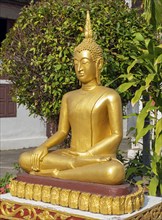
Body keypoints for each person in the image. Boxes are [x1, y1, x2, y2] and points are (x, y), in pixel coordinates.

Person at [19, 11, 125, 185]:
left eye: (84, 62)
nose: (79, 68)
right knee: (26, 158)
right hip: (71, 156)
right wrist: (44, 147)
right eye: (76, 63)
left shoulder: (110, 96)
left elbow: (116, 135)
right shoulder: (69, 97)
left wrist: (88, 155)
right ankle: (73, 170)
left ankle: (58, 175)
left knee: (114, 172)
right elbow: (62, 131)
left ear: (98, 64)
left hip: (98, 157)